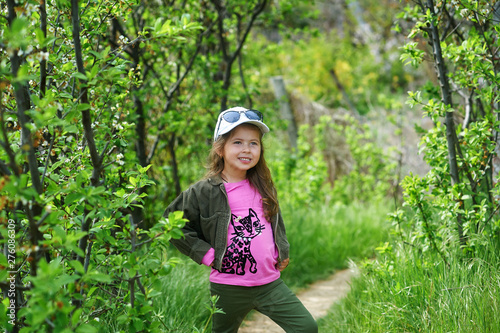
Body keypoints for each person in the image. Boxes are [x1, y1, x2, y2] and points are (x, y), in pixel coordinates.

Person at [164, 106, 318, 333]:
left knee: (306, 327)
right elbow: (171, 223)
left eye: (253, 143)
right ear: (220, 148)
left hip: (269, 283)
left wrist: (280, 251)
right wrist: (207, 254)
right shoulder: (204, 191)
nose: (246, 149)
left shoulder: (262, 185)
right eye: (237, 142)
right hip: (228, 287)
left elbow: (274, 222)